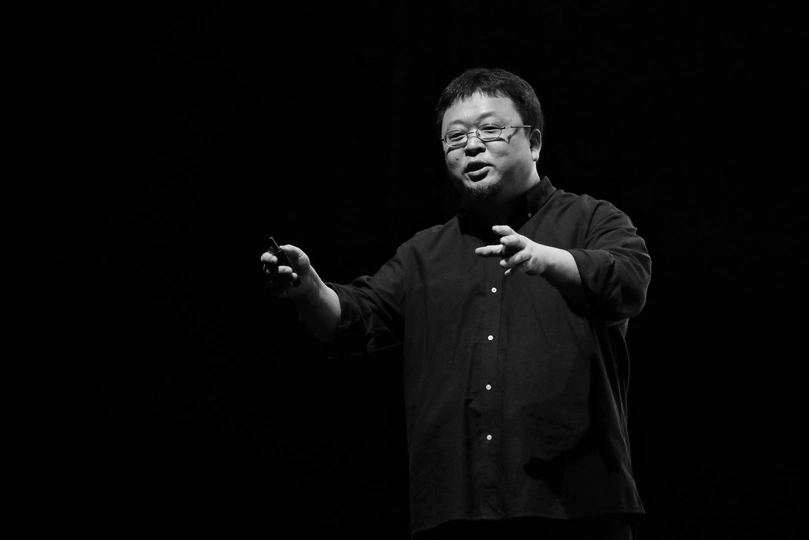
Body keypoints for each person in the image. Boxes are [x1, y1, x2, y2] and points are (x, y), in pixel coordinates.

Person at [261, 67, 651, 539]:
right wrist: (308, 288)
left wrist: (547, 258)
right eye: (456, 137)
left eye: (490, 130)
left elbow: (628, 281)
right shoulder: (423, 253)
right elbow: (352, 321)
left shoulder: (592, 219)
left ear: (534, 142)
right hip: (456, 509)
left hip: (577, 506)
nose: (472, 146)